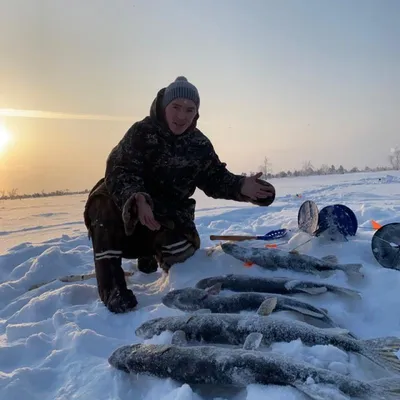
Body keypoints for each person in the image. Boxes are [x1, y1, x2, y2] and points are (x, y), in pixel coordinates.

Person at [83, 76, 276, 314]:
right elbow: (118, 170)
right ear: (164, 106)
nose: (182, 116)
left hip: (167, 216)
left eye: (189, 109)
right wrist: (136, 198)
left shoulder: (199, 144)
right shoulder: (140, 133)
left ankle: (152, 254)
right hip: (128, 216)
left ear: (196, 113)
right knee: (102, 205)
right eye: (176, 107)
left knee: (183, 257)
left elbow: (215, 178)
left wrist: (242, 187)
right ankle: (112, 289)